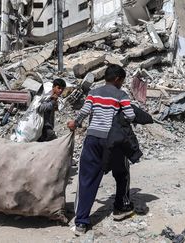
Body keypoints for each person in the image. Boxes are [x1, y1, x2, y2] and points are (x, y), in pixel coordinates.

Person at [67, 64, 136, 234]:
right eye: (122, 81)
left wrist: (75, 123)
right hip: (112, 142)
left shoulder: (94, 93)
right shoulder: (121, 94)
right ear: (118, 79)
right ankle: (120, 207)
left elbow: (84, 111)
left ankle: (81, 222)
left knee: (87, 179)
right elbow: (131, 115)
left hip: (92, 140)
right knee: (122, 173)